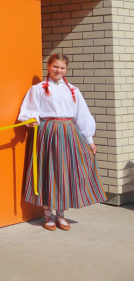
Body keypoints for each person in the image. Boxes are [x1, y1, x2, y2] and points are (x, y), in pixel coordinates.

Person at [18, 53, 106, 231]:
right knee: (48, 172)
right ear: (48, 67)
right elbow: (30, 109)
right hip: (48, 133)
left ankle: (61, 215)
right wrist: (32, 119)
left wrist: (89, 139)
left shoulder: (72, 90)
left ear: (66, 69)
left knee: (64, 172)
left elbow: (82, 114)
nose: (58, 70)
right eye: (55, 66)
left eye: (62, 67)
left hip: (68, 132)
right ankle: (48, 216)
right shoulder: (38, 89)